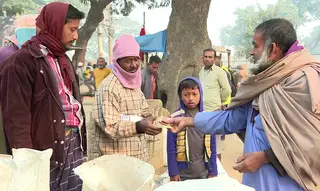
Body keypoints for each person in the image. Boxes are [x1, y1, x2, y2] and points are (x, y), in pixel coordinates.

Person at [164, 18, 320, 191]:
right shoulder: (267, 80)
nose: (251, 52)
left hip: (285, 184)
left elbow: (312, 143)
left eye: (255, 45)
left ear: (272, 49)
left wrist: (265, 157)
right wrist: (189, 121)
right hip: (256, 182)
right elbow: (234, 118)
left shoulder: (305, 82)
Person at [0, 3, 86, 191]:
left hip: (73, 144)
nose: (75, 36)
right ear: (55, 25)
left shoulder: (63, 60)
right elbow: (17, 121)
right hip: (44, 153)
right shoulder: (20, 64)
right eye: (72, 29)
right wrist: (29, 166)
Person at [92, 34, 162, 162]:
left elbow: (144, 112)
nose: (134, 65)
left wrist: (156, 120)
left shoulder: (134, 84)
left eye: (136, 59)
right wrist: (138, 127)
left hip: (138, 158)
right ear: (117, 62)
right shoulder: (110, 87)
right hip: (119, 164)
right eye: (128, 61)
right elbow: (111, 126)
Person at [167, 77, 217, 181]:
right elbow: (171, 148)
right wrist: (173, 172)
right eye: (186, 94)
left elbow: (212, 146)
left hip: (204, 172)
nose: (190, 98)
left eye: (194, 94)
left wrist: (213, 170)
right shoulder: (174, 119)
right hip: (182, 174)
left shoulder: (207, 117)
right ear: (180, 96)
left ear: (201, 94)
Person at [199, 48, 231, 161]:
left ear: (214, 59)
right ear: (202, 58)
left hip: (215, 112)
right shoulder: (201, 71)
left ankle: (218, 170)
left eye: (210, 57)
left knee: (215, 145)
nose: (207, 59)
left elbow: (227, 90)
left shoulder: (219, 72)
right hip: (202, 111)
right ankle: (207, 168)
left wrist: (219, 103)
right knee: (203, 142)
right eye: (205, 57)